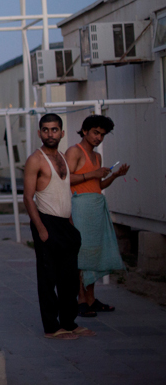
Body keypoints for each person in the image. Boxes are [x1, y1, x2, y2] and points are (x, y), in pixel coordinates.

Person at [22, 113, 93, 340]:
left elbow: (64, 193)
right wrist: (41, 229)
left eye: (54, 130)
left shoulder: (63, 157)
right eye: (45, 130)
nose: (50, 134)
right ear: (39, 133)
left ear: (62, 133)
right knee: (48, 278)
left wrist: (71, 225)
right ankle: (52, 327)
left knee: (69, 279)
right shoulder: (36, 159)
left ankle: (69, 323)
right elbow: (27, 197)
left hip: (65, 224)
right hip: (46, 222)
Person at [67, 114, 128, 316]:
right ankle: (81, 299)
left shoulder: (97, 156)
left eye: (102, 134)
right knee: (81, 254)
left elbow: (97, 186)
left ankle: (91, 298)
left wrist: (114, 176)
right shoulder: (75, 151)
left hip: (95, 207)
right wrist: (93, 174)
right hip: (80, 207)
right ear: (85, 131)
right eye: (95, 132)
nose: (98, 138)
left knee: (94, 252)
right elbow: (65, 179)